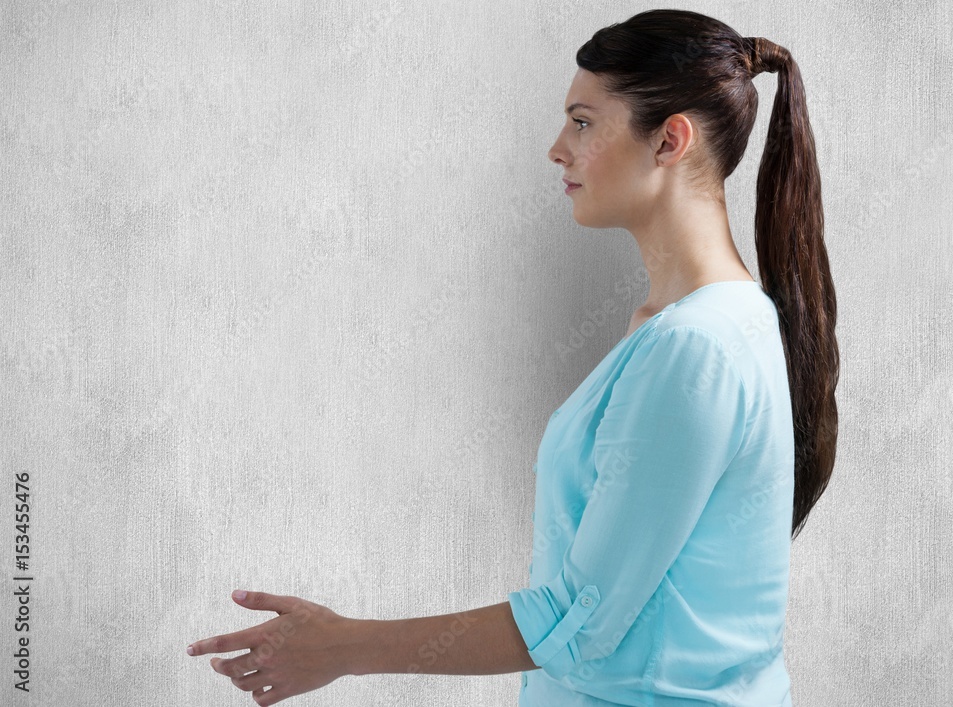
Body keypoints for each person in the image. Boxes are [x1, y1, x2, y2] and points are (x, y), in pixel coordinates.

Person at [186, 9, 839, 706]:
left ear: (670, 140)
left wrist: (342, 644)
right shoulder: (710, 323)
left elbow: (579, 621)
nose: (557, 149)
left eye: (583, 122)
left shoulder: (693, 349)